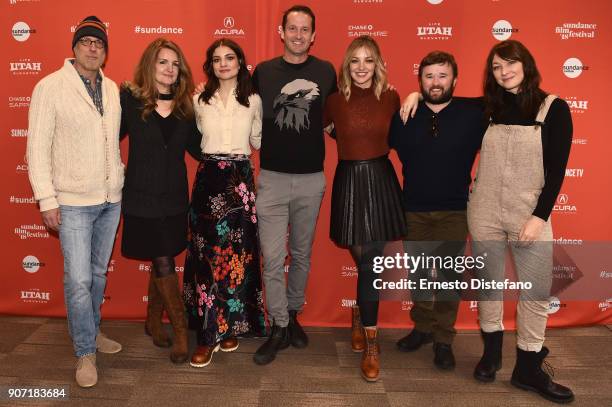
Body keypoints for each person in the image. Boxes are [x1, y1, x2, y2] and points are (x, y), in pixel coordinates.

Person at [468, 40, 574, 403]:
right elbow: (444, 107)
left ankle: (527, 369)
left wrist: (538, 217)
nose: (504, 72)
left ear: (525, 64)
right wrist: (415, 98)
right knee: (489, 285)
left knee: (536, 292)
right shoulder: (489, 108)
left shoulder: (554, 108)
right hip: (483, 212)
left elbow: (556, 172)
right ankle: (492, 353)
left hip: (528, 214)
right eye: (496, 67)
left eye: (509, 64)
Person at [26, 16, 123, 388]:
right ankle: (85, 351)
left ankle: (92, 330)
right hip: (71, 202)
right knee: (79, 279)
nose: (92, 47)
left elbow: (108, 142)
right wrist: (47, 199)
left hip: (109, 199)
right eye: (85, 41)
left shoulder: (112, 89)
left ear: (105, 50)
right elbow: (36, 149)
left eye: (98, 42)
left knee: (97, 275)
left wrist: (118, 175)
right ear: (74, 47)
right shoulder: (49, 87)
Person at [251, 5, 337, 365]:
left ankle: (294, 315)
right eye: (293, 28)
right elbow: (235, 103)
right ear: (281, 32)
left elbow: (344, 110)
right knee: (272, 258)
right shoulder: (263, 72)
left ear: (313, 35)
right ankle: (280, 325)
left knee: (301, 254)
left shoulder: (326, 72)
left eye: (305, 29)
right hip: (270, 179)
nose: (299, 35)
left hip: (310, 180)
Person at [389, 51, 485, 370]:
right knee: (419, 277)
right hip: (413, 209)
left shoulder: (474, 112)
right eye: (428, 76)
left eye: (442, 76)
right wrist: (412, 97)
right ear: (420, 80)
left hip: (454, 211)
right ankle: (423, 328)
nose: (435, 82)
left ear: (455, 80)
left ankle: (443, 339)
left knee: (446, 280)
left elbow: (510, 102)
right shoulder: (405, 114)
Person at [324, 35, 407, 382]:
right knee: (366, 265)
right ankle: (360, 313)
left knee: (371, 263)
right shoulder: (332, 101)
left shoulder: (391, 97)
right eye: (355, 60)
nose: (361, 67)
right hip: (350, 180)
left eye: (368, 60)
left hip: (381, 179)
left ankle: (371, 341)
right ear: (347, 65)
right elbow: (333, 132)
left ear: (378, 64)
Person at [183, 38, 266, 368]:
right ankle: (206, 336)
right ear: (210, 64)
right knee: (208, 256)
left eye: (229, 57)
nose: (223, 63)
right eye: (216, 59)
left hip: (240, 179)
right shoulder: (198, 99)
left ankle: (229, 324)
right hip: (209, 180)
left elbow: (257, 139)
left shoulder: (254, 100)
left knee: (237, 256)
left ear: (240, 61)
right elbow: (193, 139)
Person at [119, 38, 201, 364]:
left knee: (161, 257)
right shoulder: (130, 102)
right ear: (150, 66)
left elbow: (197, 149)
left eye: (174, 63)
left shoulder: (186, 108)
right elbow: (106, 136)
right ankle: (180, 330)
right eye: (162, 62)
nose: (169, 69)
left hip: (175, 200)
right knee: (164, 259)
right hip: (142, 197)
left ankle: (153, 319)